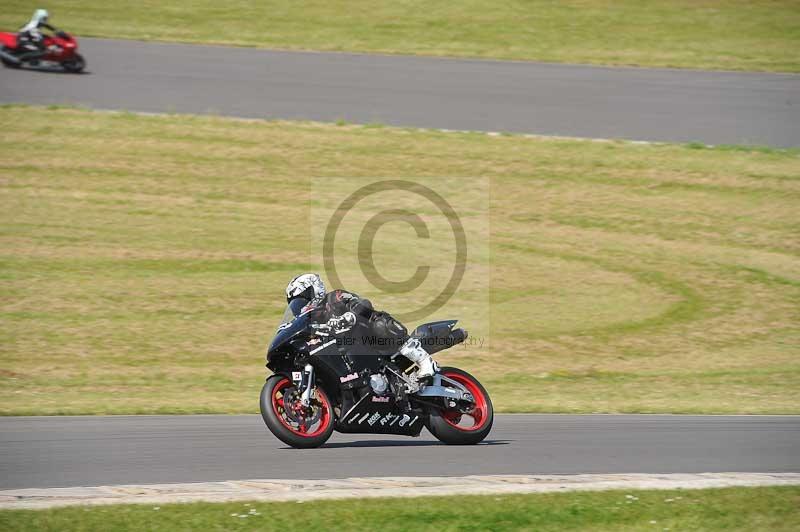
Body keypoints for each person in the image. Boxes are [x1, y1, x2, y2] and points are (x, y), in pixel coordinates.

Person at [284, 273, 436, 379]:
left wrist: (347, 317)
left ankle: (424, 361)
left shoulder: (334, 297)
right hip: (352, 359)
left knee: (379, 321)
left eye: (301, 300)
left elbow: (363, 305)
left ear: (313, 290)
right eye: (296, 304)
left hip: (372, 340)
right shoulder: (312, 322)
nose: (300, 306)